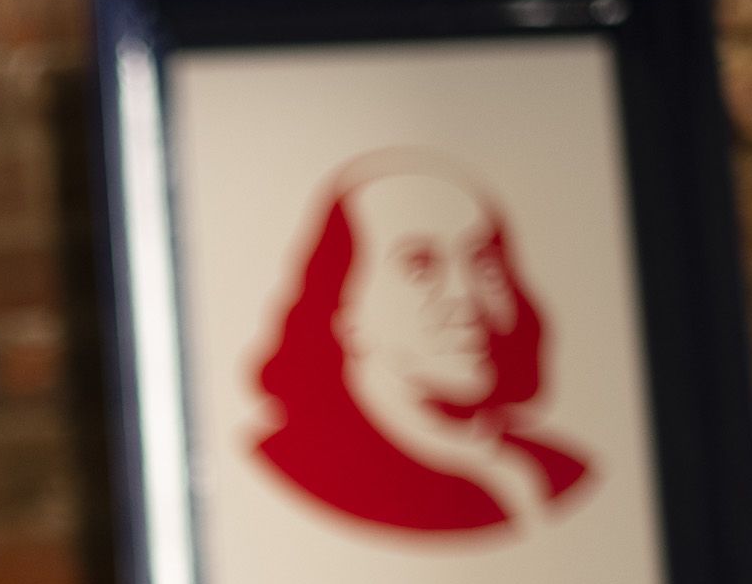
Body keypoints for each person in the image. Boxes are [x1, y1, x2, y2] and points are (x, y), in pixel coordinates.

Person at [250, 152, 594, 537]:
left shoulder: (561, 470)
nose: (467, 297)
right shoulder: (299, 470)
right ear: (343, 309)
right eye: (420, 267)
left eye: (483, 262)